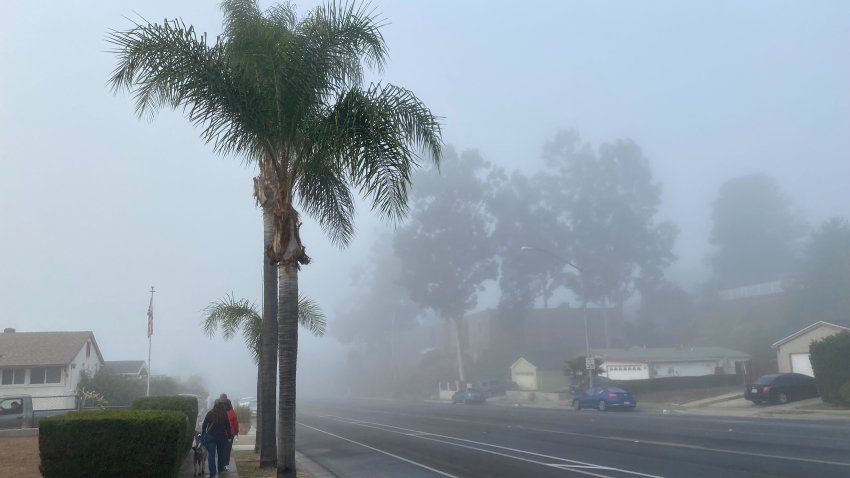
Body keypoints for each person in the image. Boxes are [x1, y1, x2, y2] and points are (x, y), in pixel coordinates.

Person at [201, 401, 231, 477]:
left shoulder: (210, 413)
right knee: (221, 454)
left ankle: (212, 474)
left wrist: (203, 433)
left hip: (211, 437)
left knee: (211, 456)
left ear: (214, 405)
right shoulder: (224, 414)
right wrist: (229, 436)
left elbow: (204, 424)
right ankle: (220, 470)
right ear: (222, 406)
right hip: (221, 438)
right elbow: (228, 426)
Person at [220, 399, 240, 471]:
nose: (224, 406)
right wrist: (236, 432)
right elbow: (235, 423)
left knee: (224, 449)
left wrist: (236, 432)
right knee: (226, 450)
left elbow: (235, 423)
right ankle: (225, 464)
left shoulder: (223, 412)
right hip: (228, 434)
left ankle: (224, 464)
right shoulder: (232, 412)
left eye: (225, 404)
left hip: (227, 434)